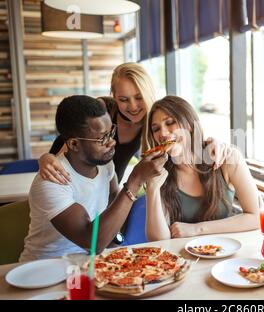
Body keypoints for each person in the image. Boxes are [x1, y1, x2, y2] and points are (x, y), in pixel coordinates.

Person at [20, 95, 166, 262]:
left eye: (111, 132)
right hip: (46, 270)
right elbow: (91, 241)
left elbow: (113, 208)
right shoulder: (51, 181)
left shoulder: (105, 166)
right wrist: (135, 180)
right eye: (102, 138)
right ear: (74, 144)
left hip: (91, 265)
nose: (111, 142)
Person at [38, 62, 228, 185]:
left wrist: (214, 143)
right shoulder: (102, 112)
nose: (134, 107)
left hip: (112, 195)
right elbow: (66, 147)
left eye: (139, 97)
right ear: (114, 96)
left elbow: (188, 136)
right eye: (124, 99)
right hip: (76, 188)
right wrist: (46, 158)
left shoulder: (156, 120)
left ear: (149, 91)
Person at [144, 95, 259, 240]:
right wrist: (152, 189)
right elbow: (158, 241)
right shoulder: (160, 174)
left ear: (189, 125)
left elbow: (256, 217)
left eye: (170, 122)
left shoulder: (227, 158)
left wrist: (197, 229)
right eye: (156, 129)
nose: (163, 133)